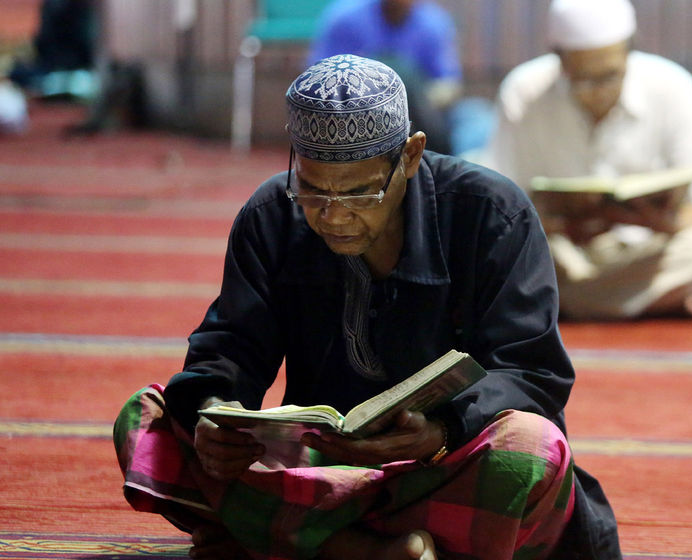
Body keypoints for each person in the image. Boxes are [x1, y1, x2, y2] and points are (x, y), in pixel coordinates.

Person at [113, 54, 621, 560]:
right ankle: (368, 550)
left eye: (360, 192)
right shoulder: (272, 216)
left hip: (445, 467)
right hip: (320, 465)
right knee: (146, 419)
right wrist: (212, 417)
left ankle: (289, 537)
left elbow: (532, 372)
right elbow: (229, 347)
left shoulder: (491, 214)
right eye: (313, 190)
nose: (334, 216)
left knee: (530, 448)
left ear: (411, 156)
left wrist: (441, 433)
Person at [484, 0, 692, 321]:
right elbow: (498, 211)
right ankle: (639, 302)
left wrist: (660, 222)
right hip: (559, 252)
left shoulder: (675, 88)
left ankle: (559, 302)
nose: (596, 91)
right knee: (495, 255)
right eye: (582, 79)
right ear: (561, 63)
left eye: (609, 76)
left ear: (629, 54)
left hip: (643, 249)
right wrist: (562, 224)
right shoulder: (524, 92)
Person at [309, 0, 462, 154]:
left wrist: (409, 103)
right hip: (353, 117)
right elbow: (319, 79)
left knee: (475, 117)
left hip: (416, 116)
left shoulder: (433, 23)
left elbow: (448, 85)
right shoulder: (344, 18)